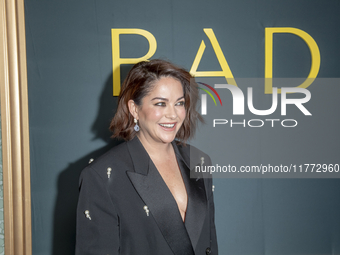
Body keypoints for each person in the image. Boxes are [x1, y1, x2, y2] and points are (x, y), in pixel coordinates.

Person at [76, 59, 218, 255]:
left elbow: (209, 241)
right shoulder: (102, 176)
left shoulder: (199, 161)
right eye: (161, 103)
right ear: (135, 109)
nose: (173, 115)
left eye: (179, 103)